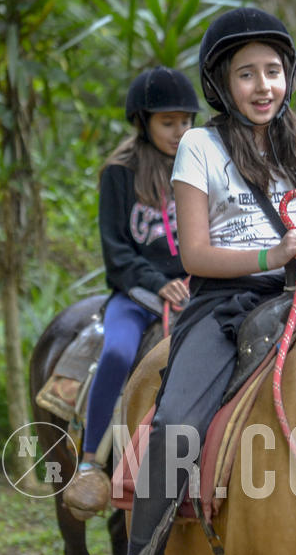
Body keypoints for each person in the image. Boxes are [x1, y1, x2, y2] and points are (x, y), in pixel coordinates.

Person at [79, 7, 296, 555]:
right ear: (220, 83)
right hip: (223, 301)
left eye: (273, 71)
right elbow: (194, 255)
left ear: (288, 74)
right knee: (179, 418)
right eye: (246, 74)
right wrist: (273, 253)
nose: (264, 85)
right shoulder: (199, 145)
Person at [62, 67, 200, 520]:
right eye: (167, 122)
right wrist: (158, 281)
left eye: (185, 121)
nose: (179, 132)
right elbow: (115, 249)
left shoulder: (203, 164)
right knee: (120, 353)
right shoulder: (120, 173)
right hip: (136, 293)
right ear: (143, 122)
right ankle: (89, 461)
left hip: (196, 290)